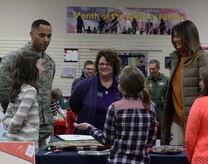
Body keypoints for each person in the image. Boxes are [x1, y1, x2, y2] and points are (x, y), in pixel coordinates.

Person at [74, 66, 156, 164]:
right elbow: (151, 142)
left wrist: (88, 127)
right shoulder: (150, 107)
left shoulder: (115, 108)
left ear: (120, 87)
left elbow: (107, 141)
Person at [0, 19, 56, 149]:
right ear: (31, 34)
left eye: (49, 36)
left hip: (46, 127)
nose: (46, 39)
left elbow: (47, 94)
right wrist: (16, 122)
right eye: (42, 35)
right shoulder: (12, 59)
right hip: (21, 129)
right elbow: (4, 94)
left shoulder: (50, 62)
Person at [161, 20, 208, 145]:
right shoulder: (175, 59)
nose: (175, 40)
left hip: (195, 120)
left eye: (178, 36)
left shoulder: (202, 58)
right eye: (174, 36)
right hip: (176, 120)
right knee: (175, 157)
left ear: (189, 36)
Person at [69, 49, 121, 134]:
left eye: (108, 64)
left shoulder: (122, 86)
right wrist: (87, 113)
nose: (104, 67)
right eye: (101, 64)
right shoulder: (84, 85)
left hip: (114, 136)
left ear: (114, 66)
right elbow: (73, 104)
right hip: (88, 136)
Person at [2, 53, 44, 153]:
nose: (43, 69)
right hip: (25, 148)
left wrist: (10, 124)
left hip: (13, 144)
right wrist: (12, 126)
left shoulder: (18, 89)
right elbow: (15, 123)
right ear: (32, 68)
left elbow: (7, 119)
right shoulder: (30, 91)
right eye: (41, 65)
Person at [146, 60, 169, 138]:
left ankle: (163, 147)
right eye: (150, 69)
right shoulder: (146, 80)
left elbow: (168, 96)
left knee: (163, 132)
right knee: (150, 131)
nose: (151, 71)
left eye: (153, 69)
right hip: (150, 110)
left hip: (162, 111)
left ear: (158, 68)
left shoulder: (166, 80)